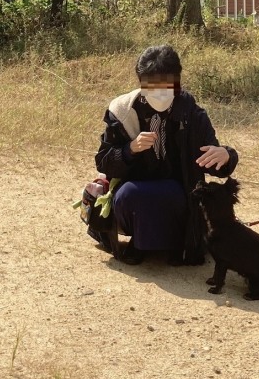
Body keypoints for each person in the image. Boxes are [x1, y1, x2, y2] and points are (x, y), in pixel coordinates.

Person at [94, 45, 238, 265]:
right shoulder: (122, 111)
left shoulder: (192, 113)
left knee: (173, 195)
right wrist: (129, 149)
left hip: (180, 194)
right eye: (151, 86)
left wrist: (226, 155)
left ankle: (172, 244)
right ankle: (140, 244)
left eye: (167, 86)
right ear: (141, 82)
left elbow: (210, 161)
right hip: (133, 190)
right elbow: (103, 162)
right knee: (131, 195)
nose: (160, 93)